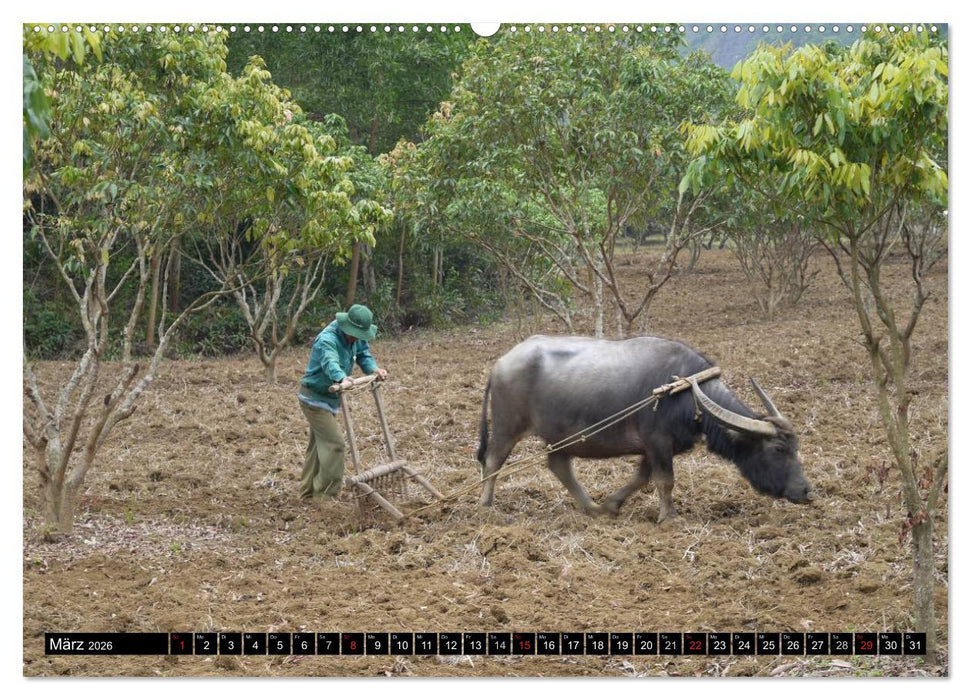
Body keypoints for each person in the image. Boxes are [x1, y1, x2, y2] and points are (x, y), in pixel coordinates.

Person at [298, 304, 388, 501]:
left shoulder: (356, 338)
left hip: (330, 399)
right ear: (346, 326)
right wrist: (342, 378)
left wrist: (374, 369)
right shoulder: (327, 339)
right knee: (335, 445)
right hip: (314, 399)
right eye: (354, 334)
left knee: (318, 446)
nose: (356, 338)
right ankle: (324, 496)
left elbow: (364, 354)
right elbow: (330, 362)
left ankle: (306, 494)